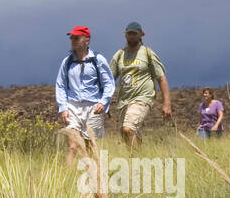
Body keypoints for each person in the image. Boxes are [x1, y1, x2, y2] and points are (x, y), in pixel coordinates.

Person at [55, 26, 113, 164]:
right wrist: (63, 107)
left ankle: (94, 176)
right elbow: (60, 85)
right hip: (73, 107)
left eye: (76, 38)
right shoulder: (67, 62)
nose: (73, 41)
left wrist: (103, 102)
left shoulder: (98, 60)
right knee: (72, 145)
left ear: (87, 40)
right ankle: (67, 178)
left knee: (91, 145)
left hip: (93, 106)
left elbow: (109, 83)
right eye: (71, 38)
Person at [109, 21, 170, 150]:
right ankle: (140, 159)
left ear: (141, 35)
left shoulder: (147, 53)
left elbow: (161, 78)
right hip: (124, 101)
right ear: (125, 35)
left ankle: (136, 161)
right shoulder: (119, 55)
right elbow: (108, 79)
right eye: (129, 33)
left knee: (128, 128)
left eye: (134, 34)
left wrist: (167, 104)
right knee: (127, 134)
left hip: (142, 98)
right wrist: (104, 101)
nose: (131, 36)